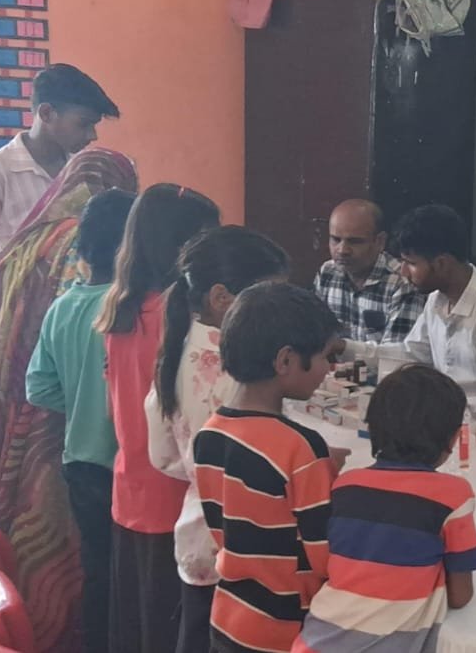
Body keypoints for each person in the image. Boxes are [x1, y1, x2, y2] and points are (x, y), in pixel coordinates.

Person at [0, 148, 137, 653]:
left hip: (61, 441)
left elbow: (38, 385)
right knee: (126, 560)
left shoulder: (28, 247)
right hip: (122, 457)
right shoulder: (135, 307)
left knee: (89, 554)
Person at [145, 227, 292, 653]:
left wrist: (200, 476)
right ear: (222, 298)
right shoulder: (241, 371)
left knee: (195, 637)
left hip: (197, 532)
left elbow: (161, 455)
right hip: (244, 545)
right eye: (268, 297)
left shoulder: (176, 350)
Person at [97, 184, 221, 653]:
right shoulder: (180, 320)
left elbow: (115, 407)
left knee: (138, 622)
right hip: (174, 496)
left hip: (131, 485)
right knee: (170, 626)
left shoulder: (122, 308)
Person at [294, 365, 476, 653]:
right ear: (451, 439)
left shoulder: (345, 485)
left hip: (314, 639)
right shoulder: (453, 495)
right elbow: (460, 596)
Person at [194, 282, 341, 653]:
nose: (329, 368)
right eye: (326, 356)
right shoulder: (302, 448)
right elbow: (325, 556)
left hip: (228, 617)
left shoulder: (209, 433)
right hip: (284, 630)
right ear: (285, 360)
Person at [24, 186, 135, 653]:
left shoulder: (63, 307)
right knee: (136, 574)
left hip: (81, 463)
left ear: (83, 250)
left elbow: (38, 387)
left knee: (98, 569)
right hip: (129, 467)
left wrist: (82, 400)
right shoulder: (134, 309)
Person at [343, 204, 476, 420]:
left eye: (411, 263)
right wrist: (345, 348)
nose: (403, 272)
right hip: (444, 429)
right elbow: (412, 354)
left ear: (441, 263)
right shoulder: (436, 299)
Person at [0, 63, 121, 275]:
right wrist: (41, 263)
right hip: (19, 295)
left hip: (76, 293)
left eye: (94, 126)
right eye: (83, 124)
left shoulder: (85, 170)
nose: (92, 135)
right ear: (47, 113)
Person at [313, 199, 424, 344]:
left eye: (354, 241)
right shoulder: (327, 273)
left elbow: (396, 354)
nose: (342, 250)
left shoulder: (402, 283)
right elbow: (315, 336)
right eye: (335, 239)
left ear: (380, 241)